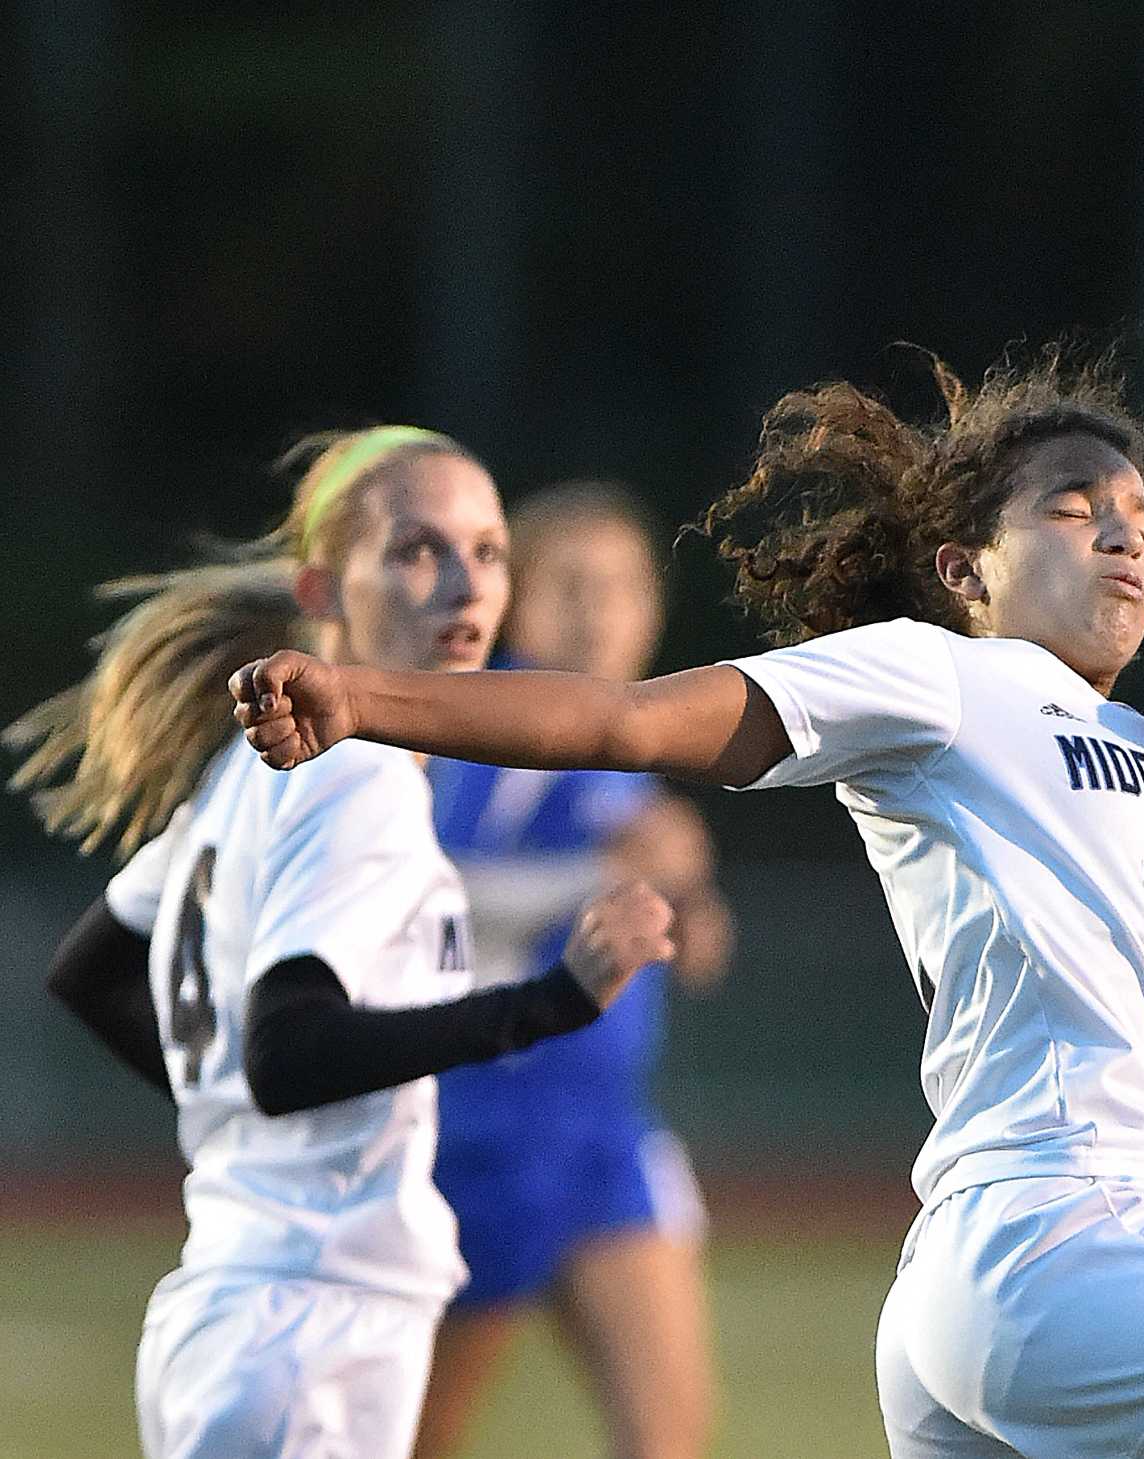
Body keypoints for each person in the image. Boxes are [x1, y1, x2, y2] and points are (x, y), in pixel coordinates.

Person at [230, 353, 1144, 1459]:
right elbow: (626, 718)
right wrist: (360, 698)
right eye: (1074, 510)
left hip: (1022, 1287)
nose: (1123, 538)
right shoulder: (939, 677)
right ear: (966, 569)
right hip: (1060, 1232)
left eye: (1143, 518)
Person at [9, 426, 674, 1459]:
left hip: (246, 1308)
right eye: (416, 550)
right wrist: (555, 999)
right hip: (312, 1328)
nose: (464, 583)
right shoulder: (356, 774)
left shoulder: (252, 770)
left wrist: (237, 1110)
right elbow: (289, 1050)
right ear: (324, 589)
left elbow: (89, 971)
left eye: (487, 551)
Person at [413, 483, 732, 1459]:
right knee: (407, 1437)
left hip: (601, 1136)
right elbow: (432, 904)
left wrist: (689, 912)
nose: (599, 610)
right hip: (473, 1136)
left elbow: (683, 925)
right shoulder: (476, 725)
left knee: (667, 1436)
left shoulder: (627, 746)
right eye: (571, 583)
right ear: (513, 599)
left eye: (623, 585)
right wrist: (604, 874)